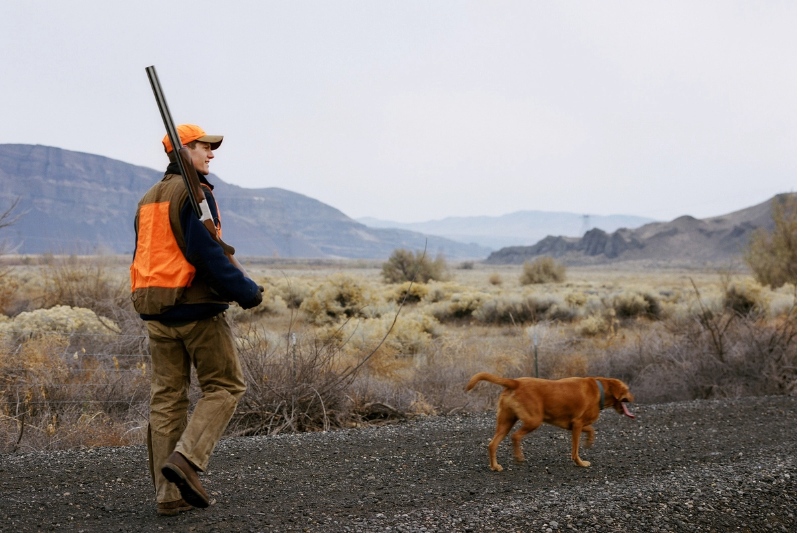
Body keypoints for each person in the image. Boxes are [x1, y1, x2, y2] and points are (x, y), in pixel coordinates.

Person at [130, 124, 263, 516]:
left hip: (155, 310)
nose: (211, 154)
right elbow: (205, 253)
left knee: (167, 400)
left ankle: (168, 497)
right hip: (196, 309)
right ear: (184, 150)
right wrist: (246, 291)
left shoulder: (148, 198)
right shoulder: (194, 193)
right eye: (205, 147)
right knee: (225, 387)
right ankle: (186, 461)